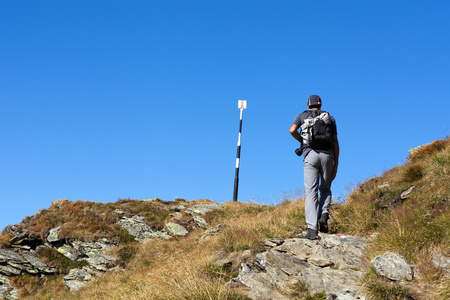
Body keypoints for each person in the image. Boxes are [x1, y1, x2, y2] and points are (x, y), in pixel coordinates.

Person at [289, 95, 339, 240]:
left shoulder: (301, 116)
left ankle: (312, 230)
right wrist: (336, 163)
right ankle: (323, 214)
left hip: (310, 154)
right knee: (325, 188)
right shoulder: (330, 118)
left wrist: (303, 142)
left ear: (308, 104)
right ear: (320, 104)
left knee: (311, 192)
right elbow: (335, 142)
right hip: (328, 156)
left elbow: (292, 130)